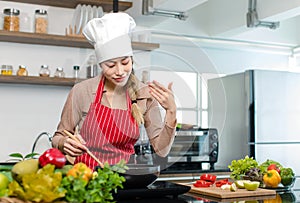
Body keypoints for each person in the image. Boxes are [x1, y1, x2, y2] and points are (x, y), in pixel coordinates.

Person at [52, 12, 177, 170]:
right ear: (100, 65)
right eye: (110, 65)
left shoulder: (144, 95)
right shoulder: (82, 91)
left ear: (132, 59)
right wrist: (64, 143)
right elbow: (59, 136)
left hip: (125, 180)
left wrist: (171, 111)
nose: (120, 71)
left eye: (125, 62)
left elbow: (161, 150)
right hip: (86, 180)